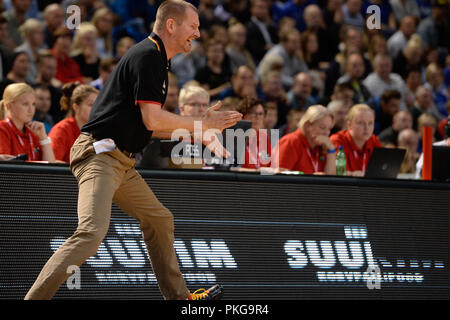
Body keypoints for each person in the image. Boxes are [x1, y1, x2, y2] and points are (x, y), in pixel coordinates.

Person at [24, 0, 242, 300]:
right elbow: (153, 118)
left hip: (121, 161)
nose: (199, 34)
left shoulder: (158, 59)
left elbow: (149, 126)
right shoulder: (149, 56)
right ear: (171, 25)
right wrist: (201, 125)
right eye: (193, 26)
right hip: (99, 155)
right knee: (91, 233)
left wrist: (200, 129)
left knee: (159, 220)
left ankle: (181, 301)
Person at [0, 82, 55, 162]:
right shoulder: (2, 130)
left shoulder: (32, 132)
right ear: (9, 106)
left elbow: (51, 167)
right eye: (25, 104)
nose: (31, 110)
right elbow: (6, 169)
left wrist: (43, 138)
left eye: (33, 104)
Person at [275, 104, 336, 175]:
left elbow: (330, 180)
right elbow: (279, 176)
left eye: (329, 129)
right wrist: (312, 180)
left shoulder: (321, 145)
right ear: (307, 126)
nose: (327, 133)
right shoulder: (291, 141)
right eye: (322, 127)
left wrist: (331, 150)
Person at [48, 83, 99, 163]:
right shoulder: (61, 130)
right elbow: (52, 162)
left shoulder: (99, 130)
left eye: (98, 105)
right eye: (91, 105)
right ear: (76, 107)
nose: (96, 109)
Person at [330, 104, 382, 176]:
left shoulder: (374, 140)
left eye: (370, 123)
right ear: (349, 125)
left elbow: (380, 172)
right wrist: (354, 175)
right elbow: (338, 173)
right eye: (361, 123)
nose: (366, 128)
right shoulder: (337, 140)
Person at [238, 97, 272, 169]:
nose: (257, 117)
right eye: (253, 113)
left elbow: (268, 165)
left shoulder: (264, 137)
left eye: (260, 114)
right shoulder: (234, 137)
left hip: (261, 179)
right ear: (242, 116)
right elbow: (233, 168)